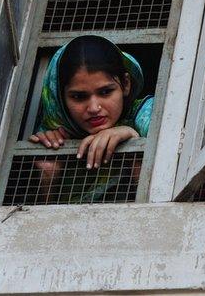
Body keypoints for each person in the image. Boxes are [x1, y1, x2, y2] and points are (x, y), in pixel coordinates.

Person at [27, 35, 154, 202]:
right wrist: (48, 169)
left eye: (105, 92)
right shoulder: (56, 135)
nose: (94, 108)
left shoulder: (149, 116)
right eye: (79, 97)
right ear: (60, 98)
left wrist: (132, 141)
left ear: (125, 84)